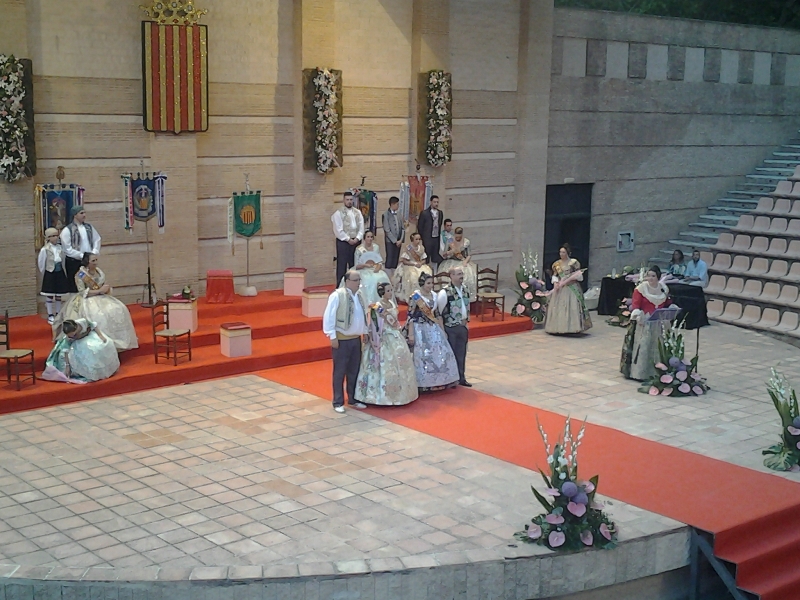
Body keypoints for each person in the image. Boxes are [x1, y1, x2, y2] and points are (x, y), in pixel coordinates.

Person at [53, 254, 138, 351]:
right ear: (87, 262)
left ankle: (115, 341)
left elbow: (103, 285)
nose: (96, 263)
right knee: (97, 315)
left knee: (119, 308)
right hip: (86, 299)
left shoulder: (99, 272)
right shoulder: (80, 275)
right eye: (93, 261)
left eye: (96, 260)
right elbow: (82, 292)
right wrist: (99, 291)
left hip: (101, 297)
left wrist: (106, 289)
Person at [355, 282, 419, 406]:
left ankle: (400, 393)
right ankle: (376, 395)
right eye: (388, 290)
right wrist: (373, 338)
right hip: (381, 336)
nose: (390, 293)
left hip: (394, 335)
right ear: (382, 292)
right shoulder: (376, 307)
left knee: (399, 362)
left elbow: (395, 321)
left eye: (391, 290)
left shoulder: (392, 304)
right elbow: (372, 324)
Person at [322, 269, 369, 413]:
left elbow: (363, 314)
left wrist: (365, 331)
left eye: (359, 280)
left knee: (354, 370)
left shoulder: (360, 295)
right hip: (342, 339)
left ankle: (353, 398)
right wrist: (332, 335)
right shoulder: (337, 295)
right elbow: (329, 316)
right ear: (347, 281)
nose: (358, 283)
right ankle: (338, 401)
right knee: (340, 371)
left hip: (356, 339)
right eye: (355, 280)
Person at [620, 265, 675, 381]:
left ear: (658, 277)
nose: (650, 278)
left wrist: (671, 307)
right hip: (644, 322)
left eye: (653, 276)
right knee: (645, 346)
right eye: (648, 276)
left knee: (659, 346)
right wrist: (638, 315)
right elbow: (635, 305)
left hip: (660, 323)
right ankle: (641, 373)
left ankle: (659, 371)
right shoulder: (641, 289)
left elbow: (667, 302)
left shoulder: (663, 289)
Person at [406, 273, 459, 392]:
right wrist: (411, 334)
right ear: (422, 284)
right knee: (423, 356)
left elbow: (438, 315)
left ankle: (440, 381)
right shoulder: (415, 297)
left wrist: (443, 330)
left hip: (434, 328)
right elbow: (410, 316)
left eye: (432, 283)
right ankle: (423, 383)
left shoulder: (435, 296)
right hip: (419, 329)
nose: (431, 286)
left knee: (440, 354)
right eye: (428, 283)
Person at [41, 318, 120, 383]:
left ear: (76, 328)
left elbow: (93, 325)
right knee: (88, 352)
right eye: (69, 335)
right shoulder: (68, 338)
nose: (71, 336)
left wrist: (100, 335)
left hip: (89, 337)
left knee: (100, 346)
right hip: (75, 344)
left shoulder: (82, 322)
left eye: (73, 334)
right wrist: (67, 366)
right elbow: (66, 350)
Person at [545, 244, 592, 334]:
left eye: (563, 252)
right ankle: (558, 327)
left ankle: (573, 327)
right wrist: (555, 283)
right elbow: (555, 275)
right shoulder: (557, 264)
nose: (561, 254)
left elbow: (578, 275)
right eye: (560, 252)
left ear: (568, 253)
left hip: (572, 287)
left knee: (572, 306)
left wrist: (569, 279)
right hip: (561, 288)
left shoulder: (573, 262)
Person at [438, 266, 471, 387]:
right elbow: (439, 312)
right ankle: (450, 379)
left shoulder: (465, 289)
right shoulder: (444, 292)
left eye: (462, 274)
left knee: (461, 353)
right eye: (458, 274)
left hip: (462, 326)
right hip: (450, 327)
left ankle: (461, 377)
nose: (461, 276)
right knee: (451, 354)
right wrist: (443, 329)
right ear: (451, 276)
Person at [61, 206, 101, 294]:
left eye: (84, 213)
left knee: (90, 283)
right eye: (81, 213)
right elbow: (67, 249)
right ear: (75, 215)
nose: (84, 215)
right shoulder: (67, 230)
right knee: (75, 286)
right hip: (74, 262)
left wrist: (93, 253)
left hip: (88, 262)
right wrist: (82, 255)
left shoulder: (89, 227)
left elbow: (97, 239)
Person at [331, 191, 365, 287]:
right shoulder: (338, 213)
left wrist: (357, 238)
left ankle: (355, 285)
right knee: (342, 265)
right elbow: (338, 230)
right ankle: (340, 287)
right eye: (347, 200)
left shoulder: (358, 212)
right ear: (343, 200)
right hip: (343, 242)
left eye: (351, 199)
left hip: (356, 241)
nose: (349, 201)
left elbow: (361, 227)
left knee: (355, 264)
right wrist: (348, 239)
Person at [38, 227, 69, 324]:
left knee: (59, 295)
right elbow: (41, 263)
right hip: (50, 272)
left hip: (59, 272)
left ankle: (58, 313)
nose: (56, 238)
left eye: (57, 235)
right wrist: (46, 272)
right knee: (50, 294)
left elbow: (63, 260)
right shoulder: (45, 249)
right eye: (53, 236)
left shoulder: (60, 248)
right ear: (48, 237)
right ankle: (50, 314)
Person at [439, 227, 478, 302]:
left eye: (459, 237)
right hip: (451, 262)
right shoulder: (450, 241)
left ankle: (466, 296)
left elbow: (469, 254)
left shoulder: (466, 242)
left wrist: (465, 261)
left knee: (468, 276)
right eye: (456, 237)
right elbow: (444, 254)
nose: (458, 238)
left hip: (463, 262)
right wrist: (450, 252)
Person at [392, 232, 433, 304]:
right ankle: (412, 296)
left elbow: (424, 259)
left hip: (419, 265)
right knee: (413, 275)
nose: (418, 241)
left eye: (419, 239)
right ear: (412, 240)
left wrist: (420, 263)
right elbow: (404, 261)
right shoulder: (408, 248)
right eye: (416, 239)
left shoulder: (421, 248)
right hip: (409, 265)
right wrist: (414, 264)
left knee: (427, 272)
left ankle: (426, 293)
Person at [354, 231, 391, 306]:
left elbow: (379, 261)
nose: (370, 239)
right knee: (369, 279)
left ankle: (382, 300)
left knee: (382, 277)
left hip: (375, 268)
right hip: (363, 270)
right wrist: (365, 265)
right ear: (364, 238)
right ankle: (369, 301)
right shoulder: (359, 249)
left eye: (371, 237)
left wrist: (378, 267)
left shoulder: (376, 247)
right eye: (368, 237)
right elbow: (356, 265)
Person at [417, 195, 444, 269]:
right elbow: (420, 226)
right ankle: (426, 271)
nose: (436, 204)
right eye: (434, 202)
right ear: (431, 202)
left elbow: (440, 224)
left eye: (437, 202)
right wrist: (423, 237)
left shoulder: (440, 213)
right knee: (426, 256)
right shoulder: (424, 213)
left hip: (436, 238)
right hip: (427, 238)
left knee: (435, 255)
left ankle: (435, 272)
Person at [382, 196, 405, 279]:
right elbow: (387, 230)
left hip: (398, 241)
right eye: (397, 204)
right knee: (390, 258)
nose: (398, 206)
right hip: (390, 241)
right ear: (392, 204)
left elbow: (403, 228)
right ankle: (388, 277)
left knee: (396, 258)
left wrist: (401, 240)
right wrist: (395, 241)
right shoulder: (385, 215)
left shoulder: (399, 214)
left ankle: (395, 277)